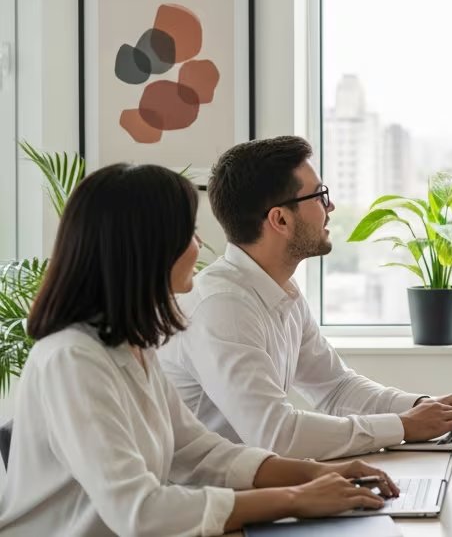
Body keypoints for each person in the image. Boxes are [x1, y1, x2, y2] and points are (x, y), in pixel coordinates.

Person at [0, 164, 397, 536]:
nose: (200, 244)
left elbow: (198, 451)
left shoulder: (129, 345)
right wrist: (294, 499)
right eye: (189, 232)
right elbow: (140, 511)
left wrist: (312, 475)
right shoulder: (72, 358)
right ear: (149, 248)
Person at [159, 136, 452, 461]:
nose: (331, 207)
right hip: (212, 501)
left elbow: (335, 387)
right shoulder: (221, 306)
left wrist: (421, 407)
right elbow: (277, 436)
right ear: (280, 220)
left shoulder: (281, 290)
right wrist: (403, 426)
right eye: (320, 196)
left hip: (255, 490)